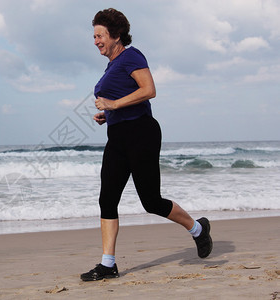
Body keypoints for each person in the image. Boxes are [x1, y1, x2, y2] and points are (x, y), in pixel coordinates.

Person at [80, 8, 213, 282]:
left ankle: (197, 229)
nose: (95, 41)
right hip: (118, 136)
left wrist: (114, 104)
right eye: (94, 36)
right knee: (107, 199)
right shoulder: (112, 66)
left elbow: (149, 90)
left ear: (116, 35)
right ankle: (108, 264)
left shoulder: (132, 55)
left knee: (151, 201)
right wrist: (110, 114)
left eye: (99, 35)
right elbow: (127, 97)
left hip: (142, 133)